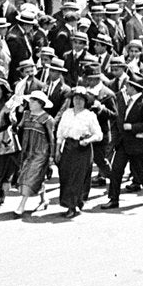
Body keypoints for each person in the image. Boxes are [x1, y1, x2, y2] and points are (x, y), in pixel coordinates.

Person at [106, 71, 143, 208]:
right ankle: (113, 199)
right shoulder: (125, 101)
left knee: (141, 171)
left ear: (134, 88)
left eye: (128, 86)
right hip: (123, 143)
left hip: (137, 144)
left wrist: (132, 127)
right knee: (116, 170)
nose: (125, 88)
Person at [53, 86, 103, 216]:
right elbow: (60, 133)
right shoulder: (67, 113)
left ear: (85, 101)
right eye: (75, 98)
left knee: (78, 177)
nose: (78, 101)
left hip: (83, 149)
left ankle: (73, 206)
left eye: (81, 99)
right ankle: (71, 203)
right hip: (69, 147)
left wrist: (88, 140)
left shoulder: (89, 115)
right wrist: (57, 150)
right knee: (65, 175)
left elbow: (98, 134)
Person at [12, 91, 54, 215]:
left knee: (29, 177)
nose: (30, 103)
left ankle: (22, 205)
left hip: (40, 152)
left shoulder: (47, 118)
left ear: (40, 103)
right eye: (30, 101)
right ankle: (44, 199)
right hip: (26, 151)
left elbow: (51, 138)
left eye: (33, 101)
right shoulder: (26, 114)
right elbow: (19, 127)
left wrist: (51, 156)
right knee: (36, 177)